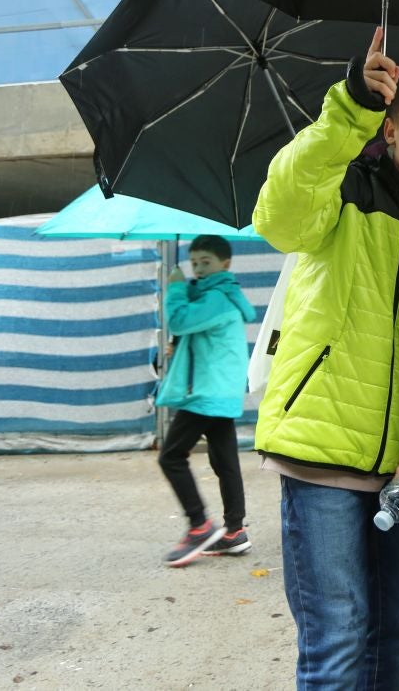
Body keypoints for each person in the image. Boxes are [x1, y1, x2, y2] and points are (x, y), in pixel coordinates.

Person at [253, 28, 399, 690]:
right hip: (320, 447)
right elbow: (280, 216)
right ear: (391, 127)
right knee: (339, 635)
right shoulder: (341, 188)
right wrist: (349, 106)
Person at [154, 234, 257, 566]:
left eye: (205, 262)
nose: (197, 268)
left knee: (170, 457)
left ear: (225, 264)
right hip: (218, 391)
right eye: (194, 262)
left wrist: (175, 287)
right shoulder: (215, 296)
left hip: (206, 393)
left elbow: (182, 319)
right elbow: (193, 331)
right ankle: (234, 532)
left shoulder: (218, 297)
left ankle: (200, 525)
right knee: (225, 462)